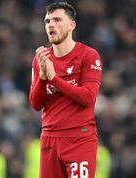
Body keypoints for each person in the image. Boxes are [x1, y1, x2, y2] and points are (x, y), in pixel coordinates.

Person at [29, 2, 103, 178]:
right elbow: (35, 103)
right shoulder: (41, 59)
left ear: (72, 25)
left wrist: (54, 78)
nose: (51, 25)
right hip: (49, 138)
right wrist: (43, 77)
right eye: (47, 21)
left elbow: (88, 98)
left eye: (57, 20)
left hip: (79, 138)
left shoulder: (88, 55)